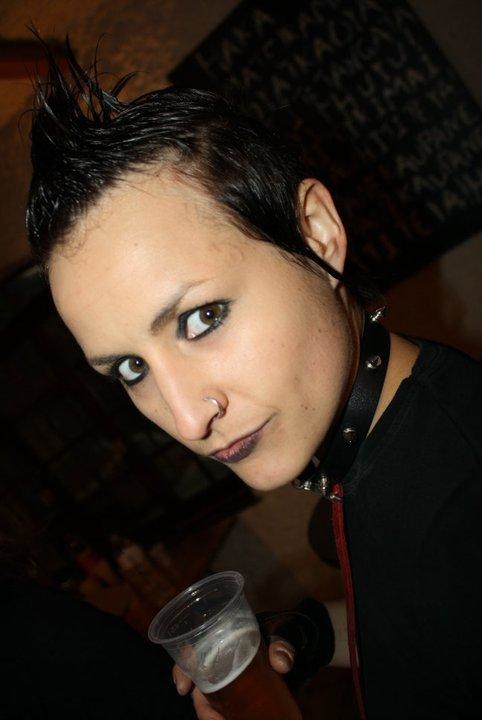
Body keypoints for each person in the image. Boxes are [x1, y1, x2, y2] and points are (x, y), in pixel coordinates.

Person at [25, 42, 482, 720]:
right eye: (131, 368)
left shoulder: (461, 503)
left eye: (202, 318)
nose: (188, 419)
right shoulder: (390, 441)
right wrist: (308, 634)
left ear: (316, 233)